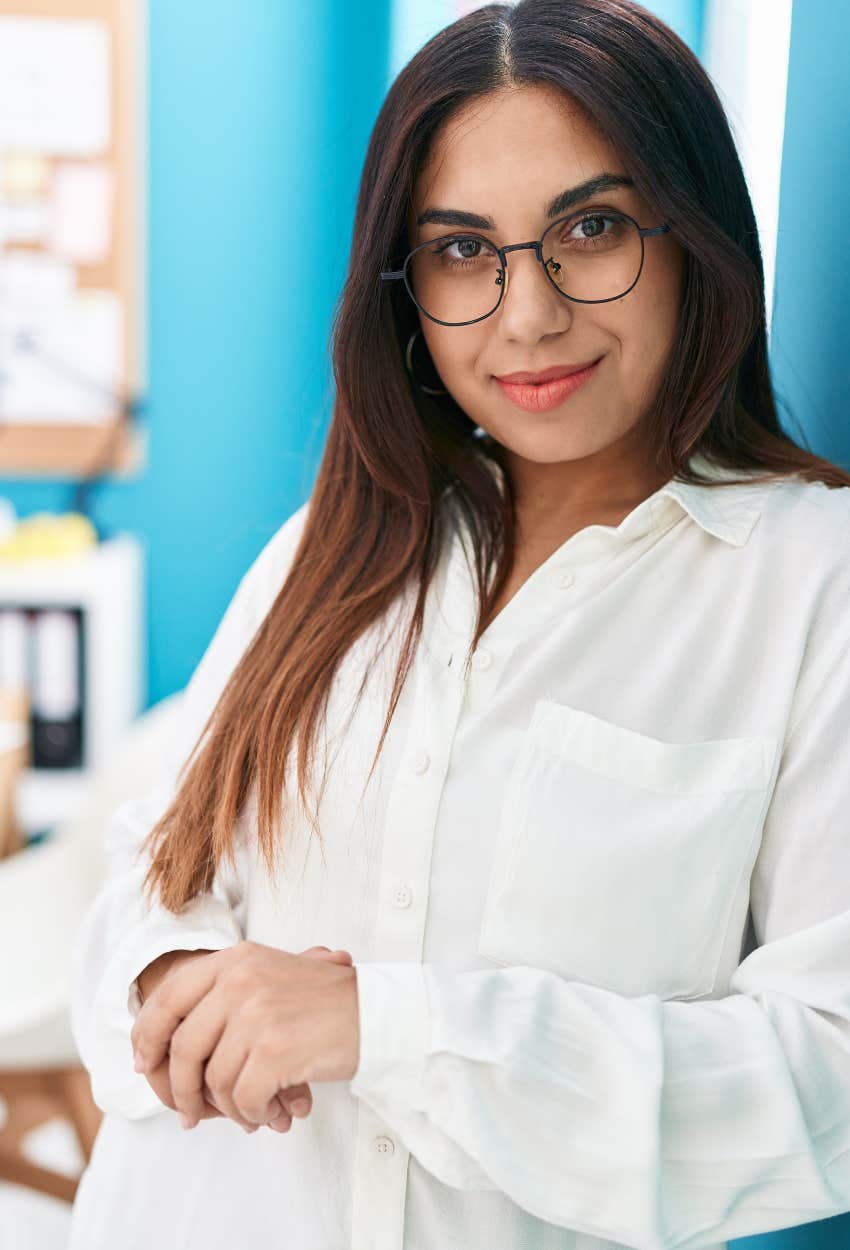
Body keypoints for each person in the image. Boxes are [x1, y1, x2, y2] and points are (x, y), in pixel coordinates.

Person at [68, 1, 850, 1248]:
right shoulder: (338, 543)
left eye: (589, 229)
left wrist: (385, 1026)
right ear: (405, 283)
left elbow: (829, 1085)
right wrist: (168, 981)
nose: (525, 315)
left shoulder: (815, 582)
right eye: (460, 250)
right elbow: (149, 869)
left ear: (694, 234)